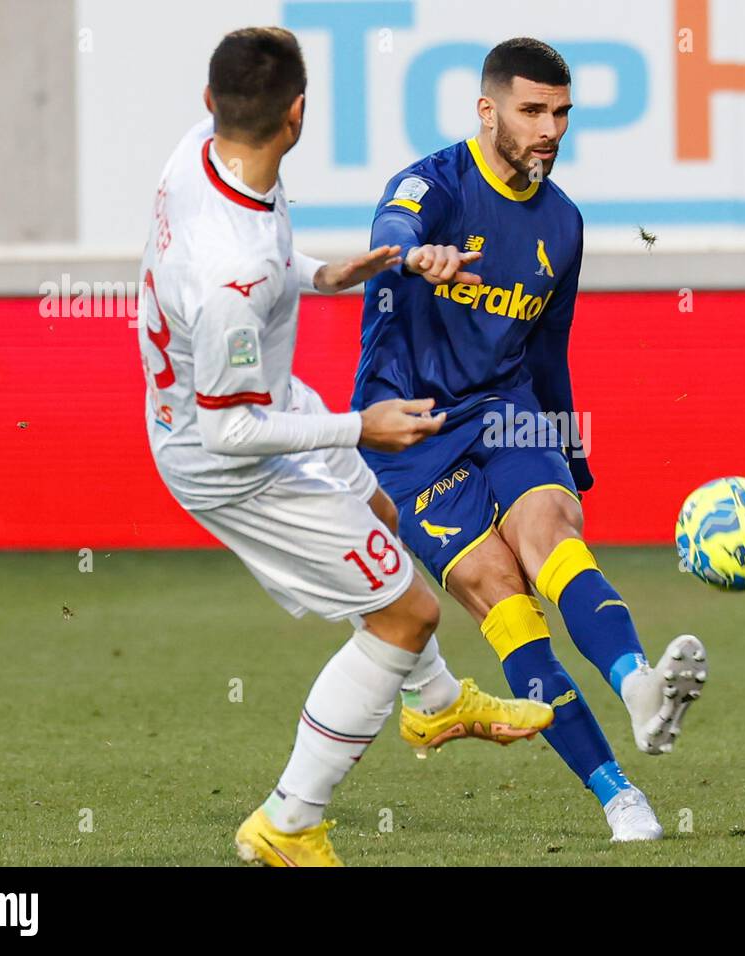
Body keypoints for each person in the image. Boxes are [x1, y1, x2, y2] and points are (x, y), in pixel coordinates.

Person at [137, 27, 553, 868]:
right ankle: (289, 821)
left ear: (213, 104)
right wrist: (360, 425)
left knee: (378, 507)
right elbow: (232, 428)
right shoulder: (232, 280)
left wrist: (349, 271)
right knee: (406, 612)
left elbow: (271, 260)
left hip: (260, 400)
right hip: (226, 458)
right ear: (298, 114)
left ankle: (434, 702)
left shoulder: (201, 154)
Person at [353, 37, 708, 843]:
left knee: (551, 533)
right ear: (488, 111)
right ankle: (619, 795)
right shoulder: (433, 185)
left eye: (561, 113)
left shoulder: (563, 221)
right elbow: (389, 229)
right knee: (499, 595)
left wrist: (572, 453)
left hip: (509, 408)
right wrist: (417, 257)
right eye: (532, 111)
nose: (550, 128)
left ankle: (639, 684)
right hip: (411, 429)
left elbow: (551, 347)